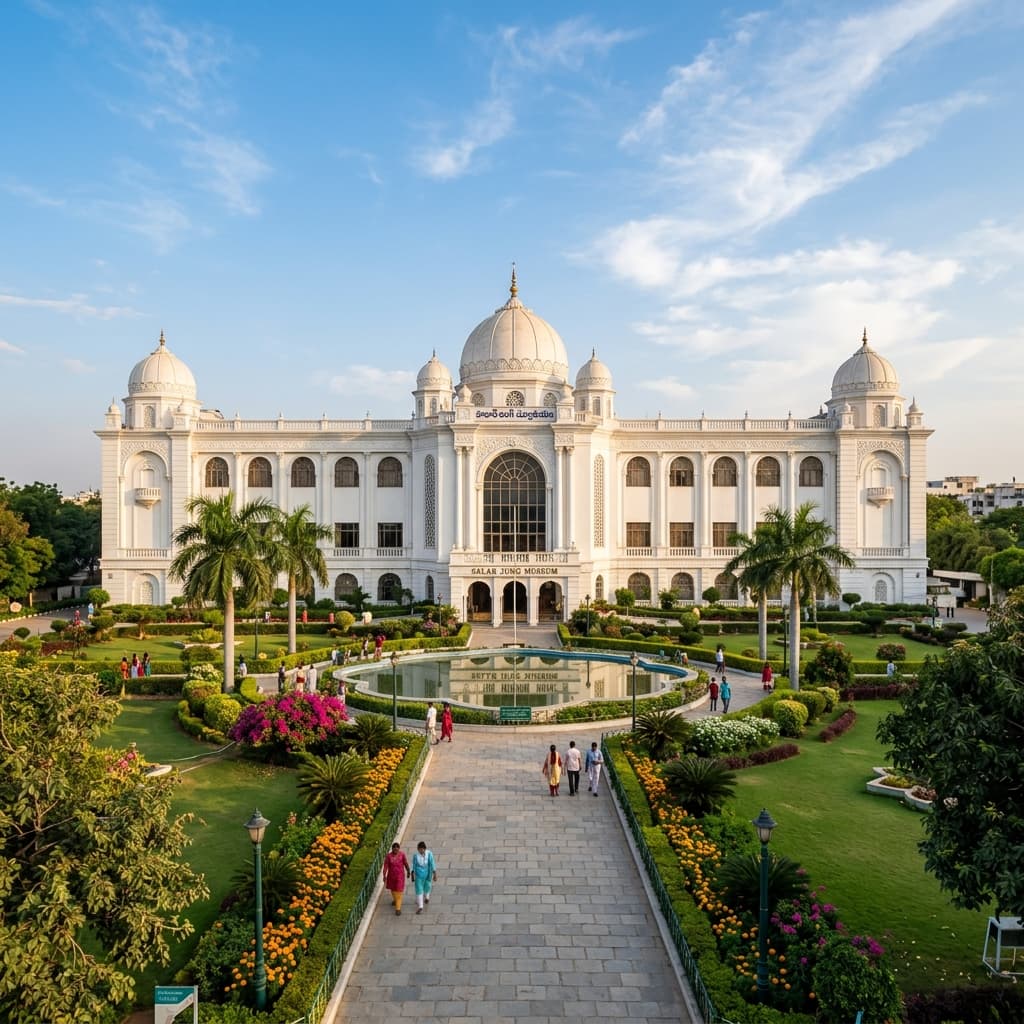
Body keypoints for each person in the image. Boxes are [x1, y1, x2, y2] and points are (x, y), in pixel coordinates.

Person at [382, 842, 411, 916]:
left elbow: (405, 863)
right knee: (393, 890)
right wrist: (384, 875)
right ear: (392, 849)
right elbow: (386, 866)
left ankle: (398, 908)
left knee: (399, 891)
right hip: (391, 877)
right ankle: (395, 900)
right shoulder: (388, 856)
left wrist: (408, 871)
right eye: (394, 848)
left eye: (397, 848)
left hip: (400, 877)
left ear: (399, 849)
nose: (395, 849)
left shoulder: (402, 855)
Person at [411, 841, 437, 914]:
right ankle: (420, 906)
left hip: (427, 873)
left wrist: (434, 873)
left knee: (427, 886)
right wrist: (412, 873)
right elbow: (413, 865)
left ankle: (427, 897)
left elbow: (432, 863)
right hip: (419, 875)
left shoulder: (429, 854)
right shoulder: (415, 856)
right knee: (419, 889)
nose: (421, 851)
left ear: (425, 849)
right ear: (418, 849)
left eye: (422, 849)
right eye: (420, 849)